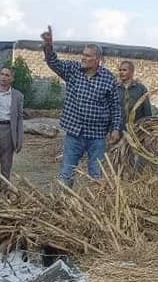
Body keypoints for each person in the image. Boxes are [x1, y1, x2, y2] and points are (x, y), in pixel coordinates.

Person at [41, 26, 122, 184]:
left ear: (97, 60)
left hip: (97, 136)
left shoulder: (108, 78)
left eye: (87, 56)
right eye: (83, 54)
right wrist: (49, 47)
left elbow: (115, 107)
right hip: (74, 133)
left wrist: (116, 129)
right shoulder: (73, 70)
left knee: (96, 175)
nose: (83, 58)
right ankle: (65, 198)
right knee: (66, 173)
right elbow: (54, 63)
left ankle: (95, 200)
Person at [117, 60, 152, 131]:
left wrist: (148, 128)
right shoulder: (115, 88)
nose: (121, 72)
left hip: (136, 130)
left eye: (124, 70)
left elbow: (147, 111)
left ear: (132, 72)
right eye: (120, 70)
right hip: (118, 130)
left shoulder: (141, 89)